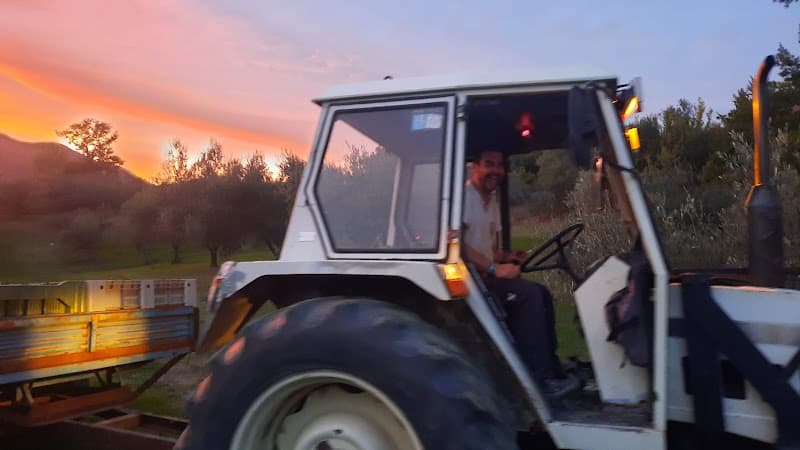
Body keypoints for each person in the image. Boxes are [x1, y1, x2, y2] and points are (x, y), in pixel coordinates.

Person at [462, 149, 580, 398]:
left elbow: (488, 249)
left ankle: (551, 367)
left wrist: (509, 256)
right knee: (529, 297)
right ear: (474, 167)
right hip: (470, 284)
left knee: (542, 293)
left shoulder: (490, 200)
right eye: (488, 164)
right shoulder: (463, 198)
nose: (495, 170)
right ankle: (540, 382)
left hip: (486, 277)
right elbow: (457, 246)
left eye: (499, 165)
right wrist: (495, 269)